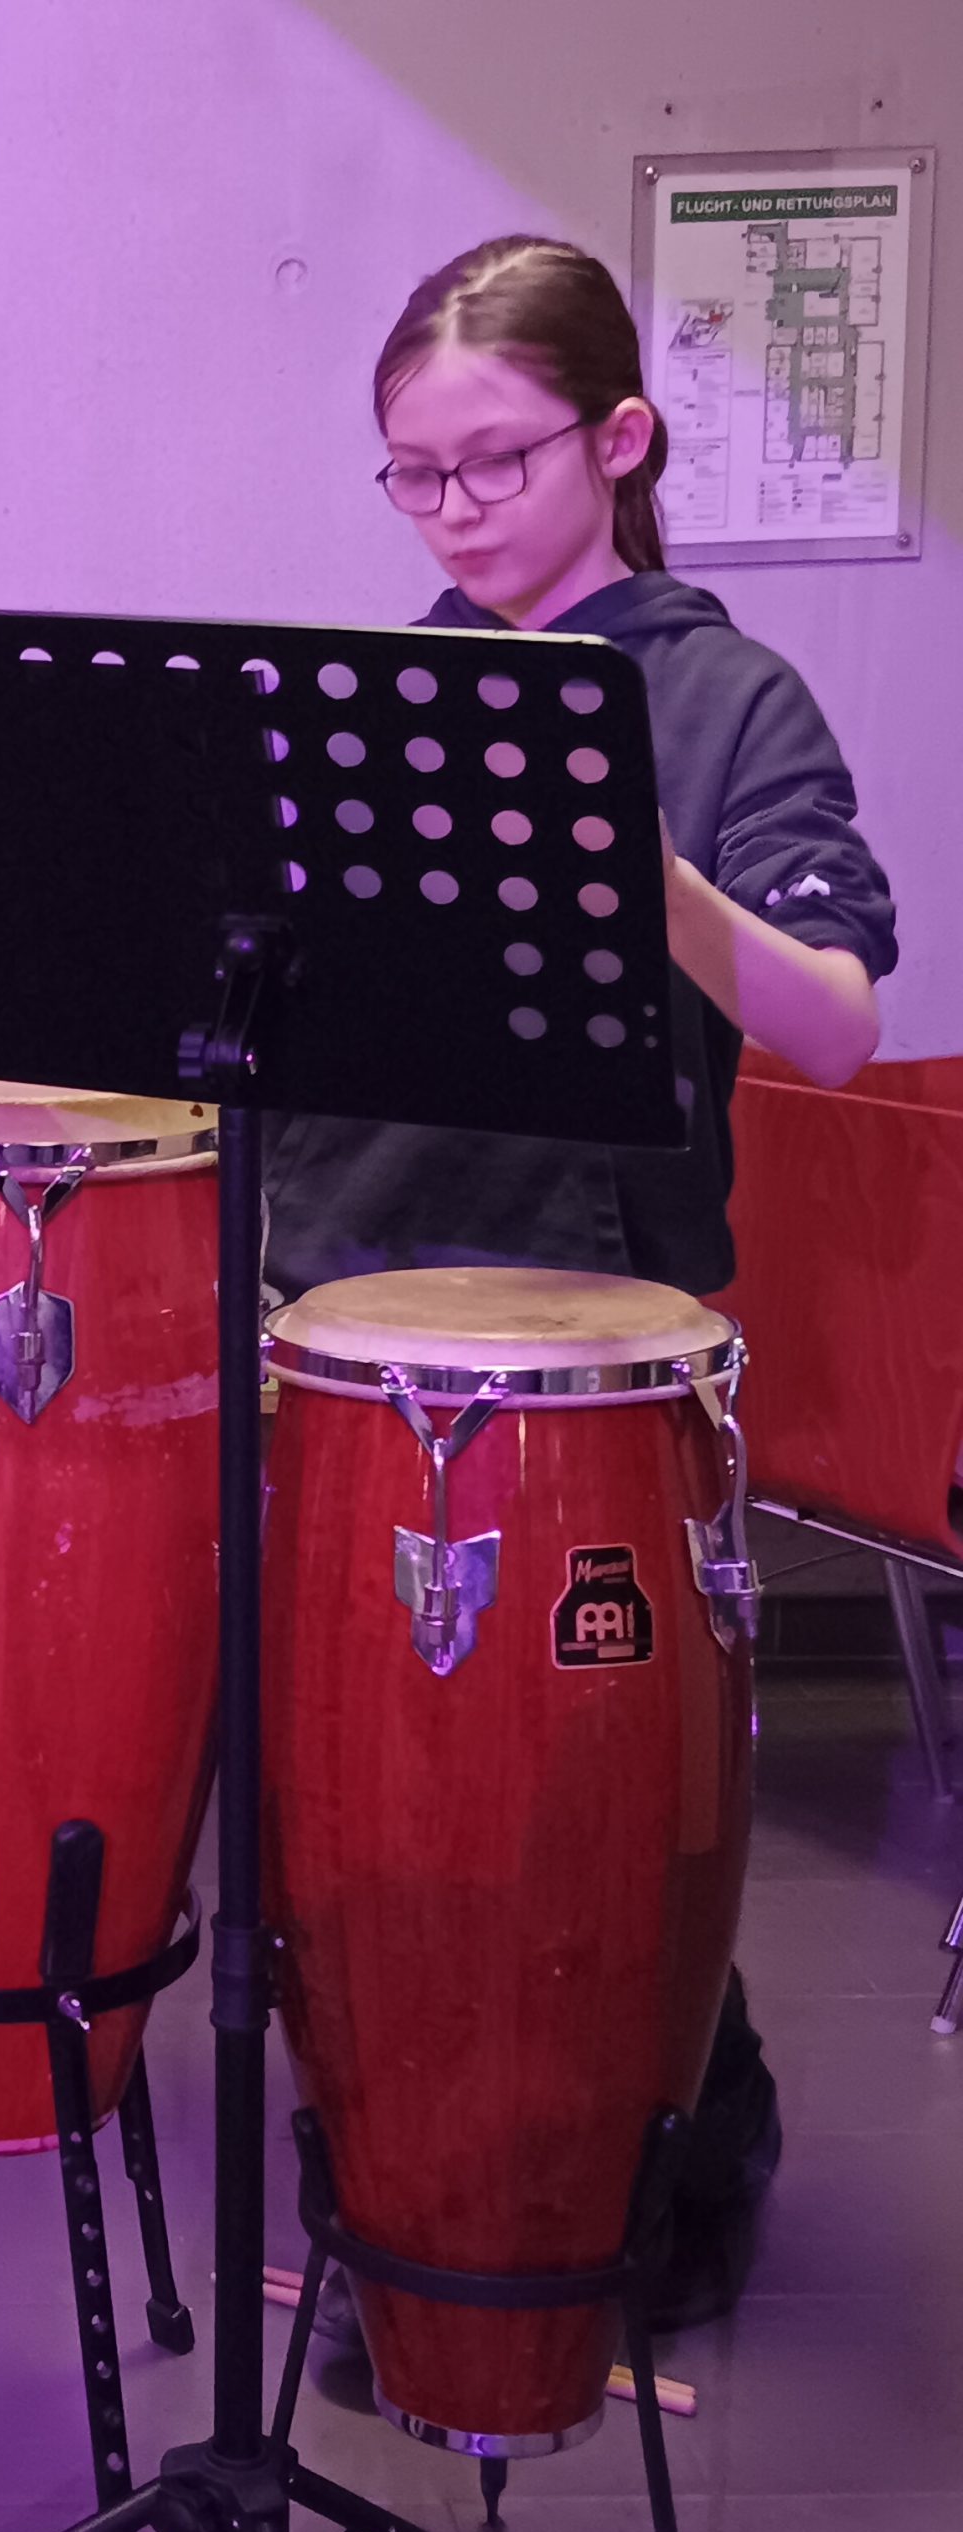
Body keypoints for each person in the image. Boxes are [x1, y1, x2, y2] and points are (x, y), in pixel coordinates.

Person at [268, 237, 897, 2332]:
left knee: (582, 1798)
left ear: (617, 440)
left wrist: (642, 863)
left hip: (592, 1345)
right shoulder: (390, 688)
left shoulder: (723, 698)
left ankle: (666, 2160)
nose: (450, 511)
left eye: (493, 462)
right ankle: (401, 2168)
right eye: (411, 474)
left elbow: (830, 1025)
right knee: (362, 1793)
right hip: (354, 1308)